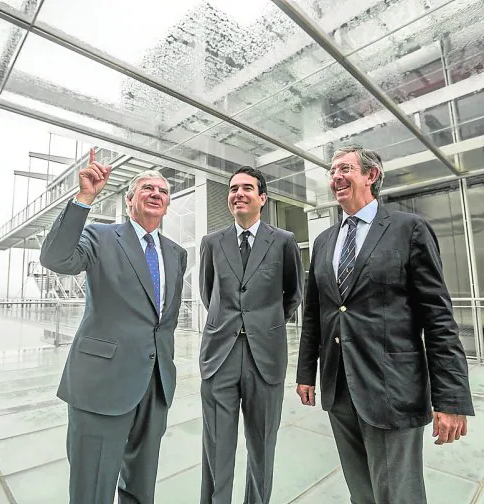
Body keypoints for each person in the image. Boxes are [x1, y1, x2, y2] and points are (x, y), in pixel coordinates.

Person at [296, 145, 474, 504]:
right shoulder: (324, 241)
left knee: (397, 494)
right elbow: (316, 313)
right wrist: (305, 373)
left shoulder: (410, 229)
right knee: (361, 491)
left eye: (344, 168)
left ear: (371, 175)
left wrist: (451, 398)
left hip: (392, 389)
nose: (335, 177)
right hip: (339, 387)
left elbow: (437, 317)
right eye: (331, 171)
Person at [40, 148, 187, 504]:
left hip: (154, 385)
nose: (156, 194)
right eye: (147, 188)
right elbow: (56, 258)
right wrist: (85, 198)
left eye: (163, 191)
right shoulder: (100, 236)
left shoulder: (176, 253)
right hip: (102, 384)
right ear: (129, 199)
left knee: (141, 485)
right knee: (93, 487)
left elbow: (160, 320)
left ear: (167, 205)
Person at [199, 166, 304, 503]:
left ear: (262, 198)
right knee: (217, 446)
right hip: (220, 356)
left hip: (265, 356)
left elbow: (293, 294)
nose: (238, 194)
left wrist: (263, 323)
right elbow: (207, 291)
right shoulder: (212, 242)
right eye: (233, 189)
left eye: (246, 188)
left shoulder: (284, 242)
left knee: (262, 445)